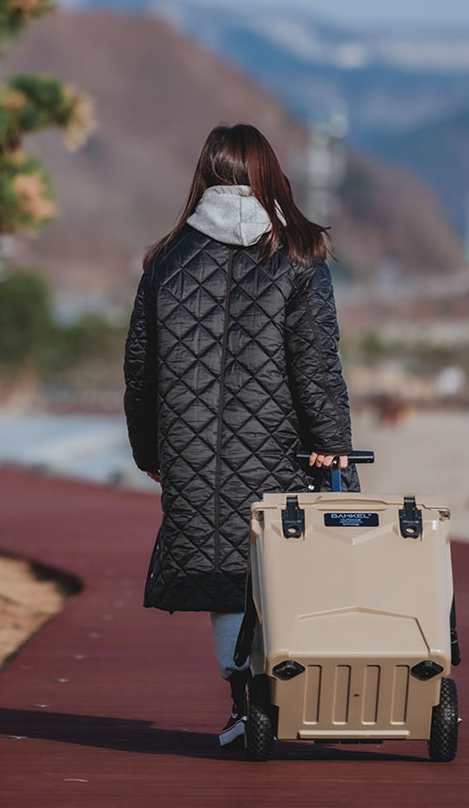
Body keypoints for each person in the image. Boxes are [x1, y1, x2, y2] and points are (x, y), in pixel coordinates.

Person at [123, 123, 358, 748]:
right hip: (284, 451)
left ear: (205, 175)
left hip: (193, 453)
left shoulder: (166, 260)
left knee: (227, 577)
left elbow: (140, 369)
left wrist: (150, 453)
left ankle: (246, 705)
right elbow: (316, 365)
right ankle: (306, 698)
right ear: (268, 174)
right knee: (294, 566)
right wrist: (334, 446)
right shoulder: (297, 254)